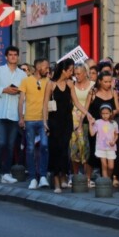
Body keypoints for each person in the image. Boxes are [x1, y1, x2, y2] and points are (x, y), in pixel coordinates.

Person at [0, 46, 25, 184]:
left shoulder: (22, 74)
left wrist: (23, 116)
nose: (13, 57)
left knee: (10, 145)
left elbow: (24, 96)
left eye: (15, 54)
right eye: (11, 54)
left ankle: (6, 172)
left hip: (14, 114)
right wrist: (4, 89)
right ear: (6, 57)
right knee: (1, 143)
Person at [18, 58, 51, 189]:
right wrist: (21, 117)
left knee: (44, 147)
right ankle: (32, 177)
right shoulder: (26, 80)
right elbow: (21, 100)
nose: (47, 69)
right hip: (30, 119)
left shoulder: (48, 81)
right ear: (38, 67)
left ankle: (42, 176)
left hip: (44, 119)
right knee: (30, 149)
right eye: (45, 67)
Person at [46, 60, 75, 193]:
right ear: (63, 70)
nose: (72, 72)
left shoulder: (70, 84)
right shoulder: (51, 84)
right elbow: (44, 104)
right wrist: (44, 121)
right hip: (54, 121)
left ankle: (63, 175)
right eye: (70, 70)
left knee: (64, 149)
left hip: (67, 121)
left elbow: (76, 102)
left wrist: (88, 114)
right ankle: (56, 180)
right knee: (55, 149)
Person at [91, 105, 119, 187]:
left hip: (111, 147)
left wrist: (114, 141)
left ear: (110, 113)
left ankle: (108, 178)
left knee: (111, 166)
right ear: (100, 114)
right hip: (101, 147)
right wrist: (90, 123)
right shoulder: (98, 122)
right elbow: (92, 133)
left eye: (107, 113)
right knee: (104, 166)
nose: (105, 115)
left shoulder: (114, 123)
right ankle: (105, 183)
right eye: (103, 113)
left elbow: (116, 134)